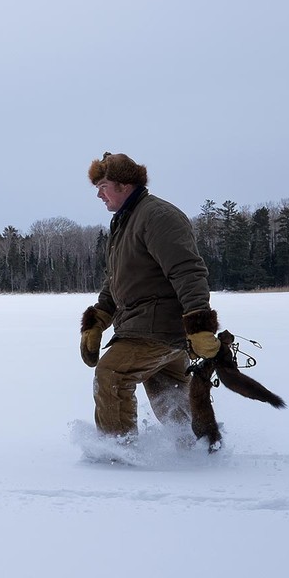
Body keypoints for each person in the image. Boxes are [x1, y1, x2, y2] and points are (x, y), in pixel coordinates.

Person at [78, 152, 221, 443]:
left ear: (124, 185)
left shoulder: (158, 216)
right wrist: (99, 318)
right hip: (145, 326)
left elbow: (187, 271)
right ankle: (199, 448)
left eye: (103, 186)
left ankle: (117, 453)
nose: (99, 195)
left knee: (112, 375)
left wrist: (200, 326)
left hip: (157, 328)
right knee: (169, 394)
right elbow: (118, 279)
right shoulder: (126, 221)